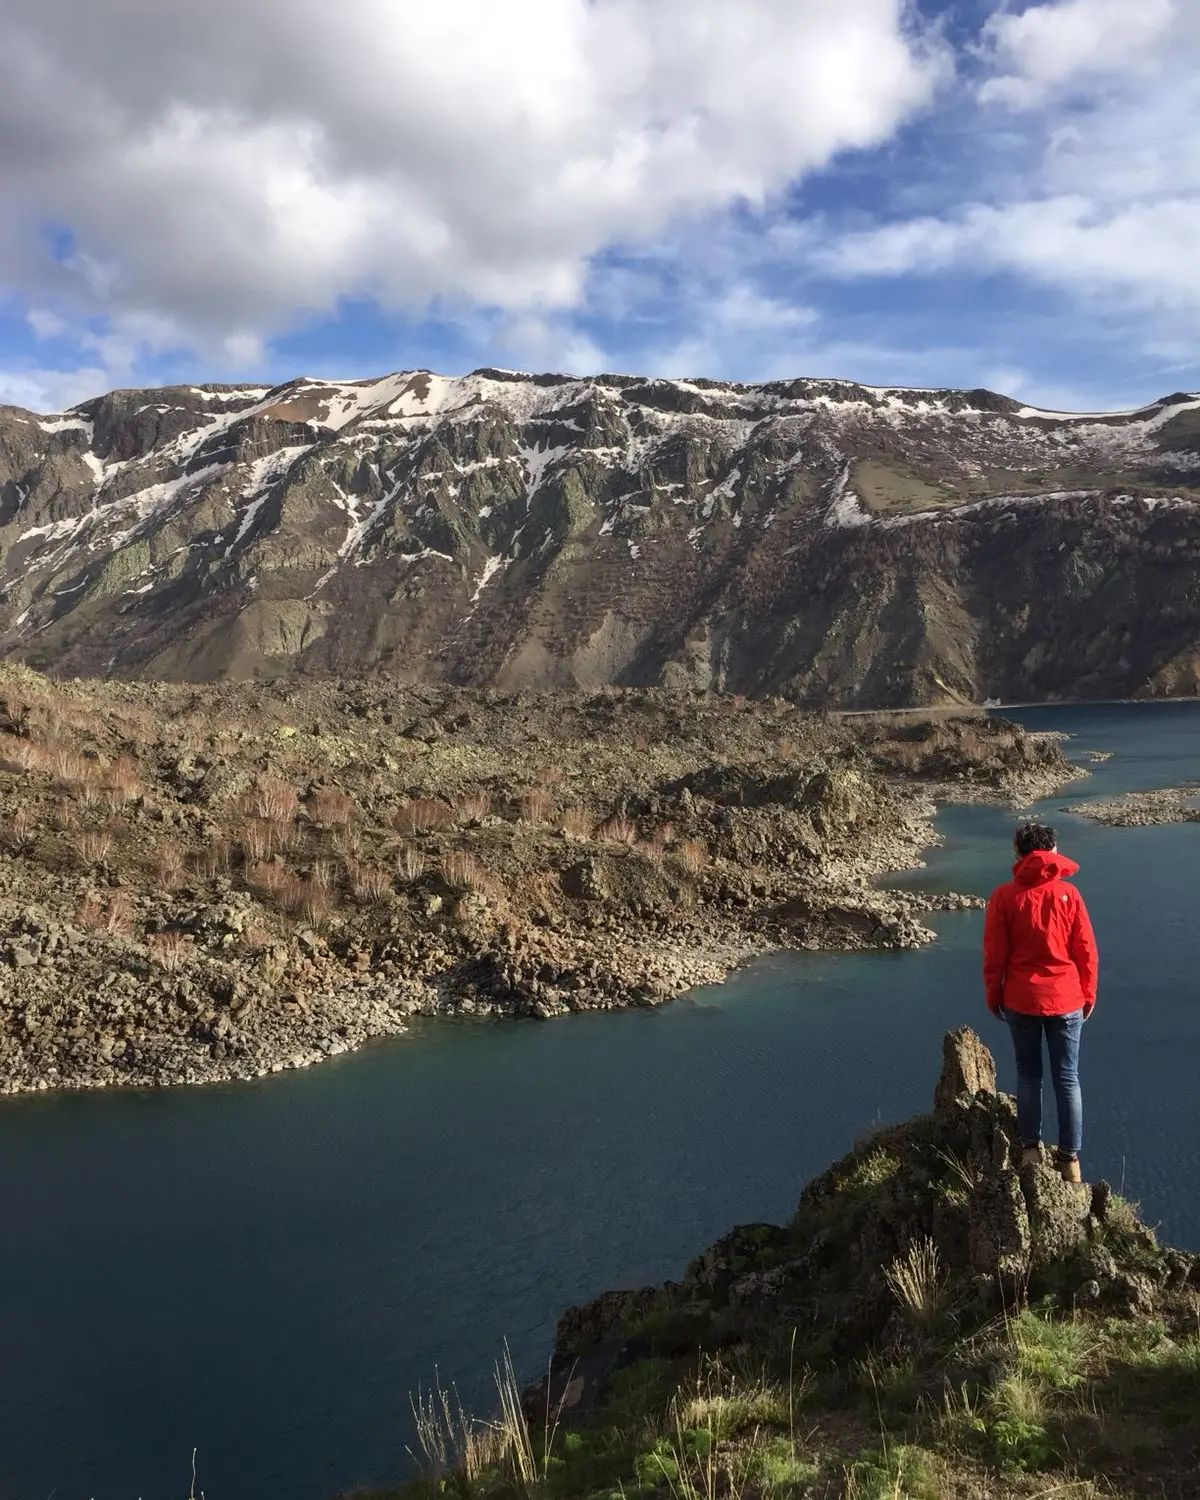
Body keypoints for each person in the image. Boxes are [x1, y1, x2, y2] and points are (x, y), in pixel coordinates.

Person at [983, 822, 1098, 1184]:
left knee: (1029, 1077)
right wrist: (1088, 994)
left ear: (1018, 853)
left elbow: (994, 954)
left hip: (1020, 998)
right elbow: (1086, 951)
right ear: (1054, 850)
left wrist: (994, 994)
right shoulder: (1070, 895)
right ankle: (1070, 1159)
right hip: (1066, 999)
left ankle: (1030, 1150)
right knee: (1067, 1079)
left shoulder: (1004, 896)